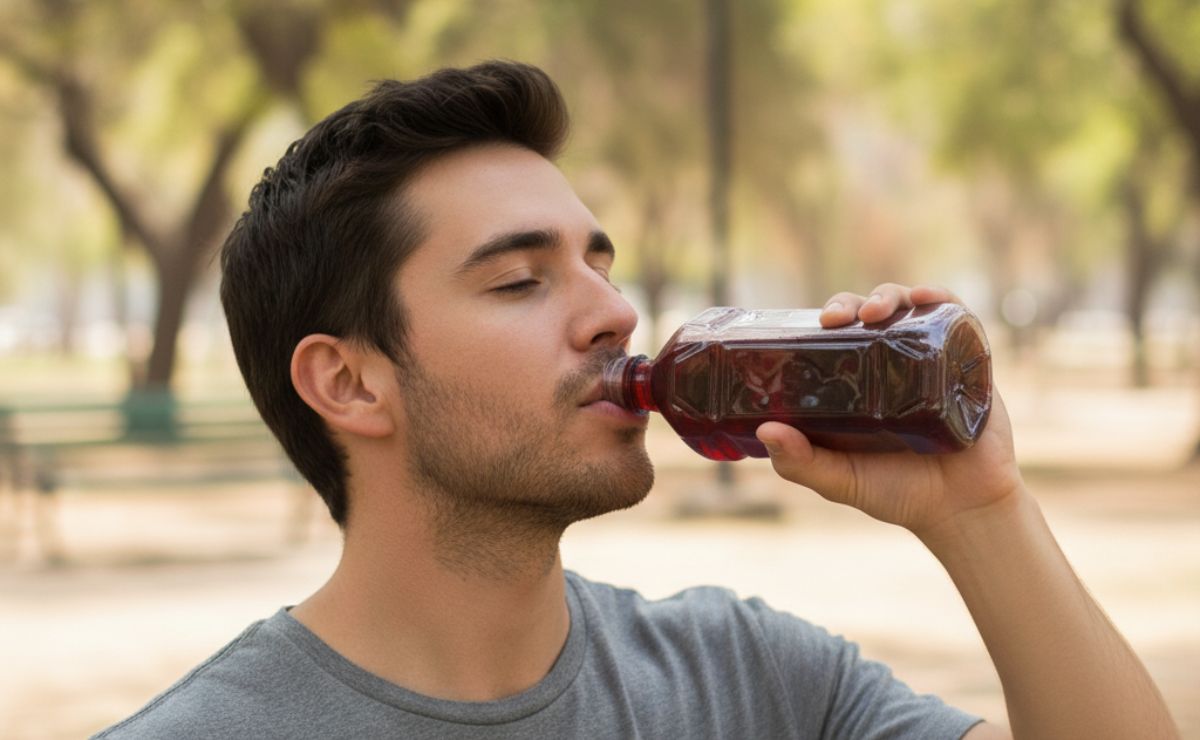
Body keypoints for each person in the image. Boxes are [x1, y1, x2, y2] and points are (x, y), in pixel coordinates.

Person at [93, 61, 1178, 739]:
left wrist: (980, 510)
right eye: (520, 281)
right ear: (350, 381)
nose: (614, 313)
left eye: (600, 266)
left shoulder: (749, 678)